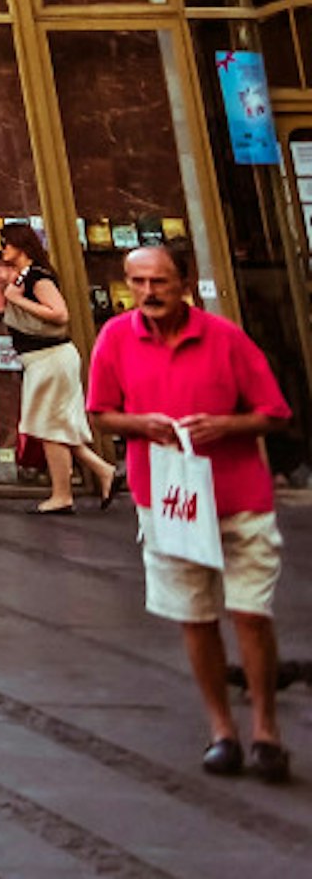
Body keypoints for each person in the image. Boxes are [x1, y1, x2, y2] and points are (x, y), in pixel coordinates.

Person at [86, 238, 292, 780]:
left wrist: (226, 425)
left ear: (184, 282)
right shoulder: (115, 338)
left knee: (250, 612)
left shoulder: (225, 339)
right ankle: (221, 730)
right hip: (170, 500)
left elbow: (274, 414)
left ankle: (266, 729)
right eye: (137, 282)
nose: (148, 293)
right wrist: (142, 424)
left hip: (238, 495)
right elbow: (102, 412)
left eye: (158, 281)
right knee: (195, 616)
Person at [0, 223, 118, 513]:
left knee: (48, 426)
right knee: (52, 424)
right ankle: (101, 471)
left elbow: (60, 314)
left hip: (49, 357)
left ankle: (63, 494)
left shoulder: (37, 276)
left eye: (6, 244)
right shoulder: (28, 276)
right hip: (43, 359)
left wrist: (17, 300)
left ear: (20, 245)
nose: (3, 249)